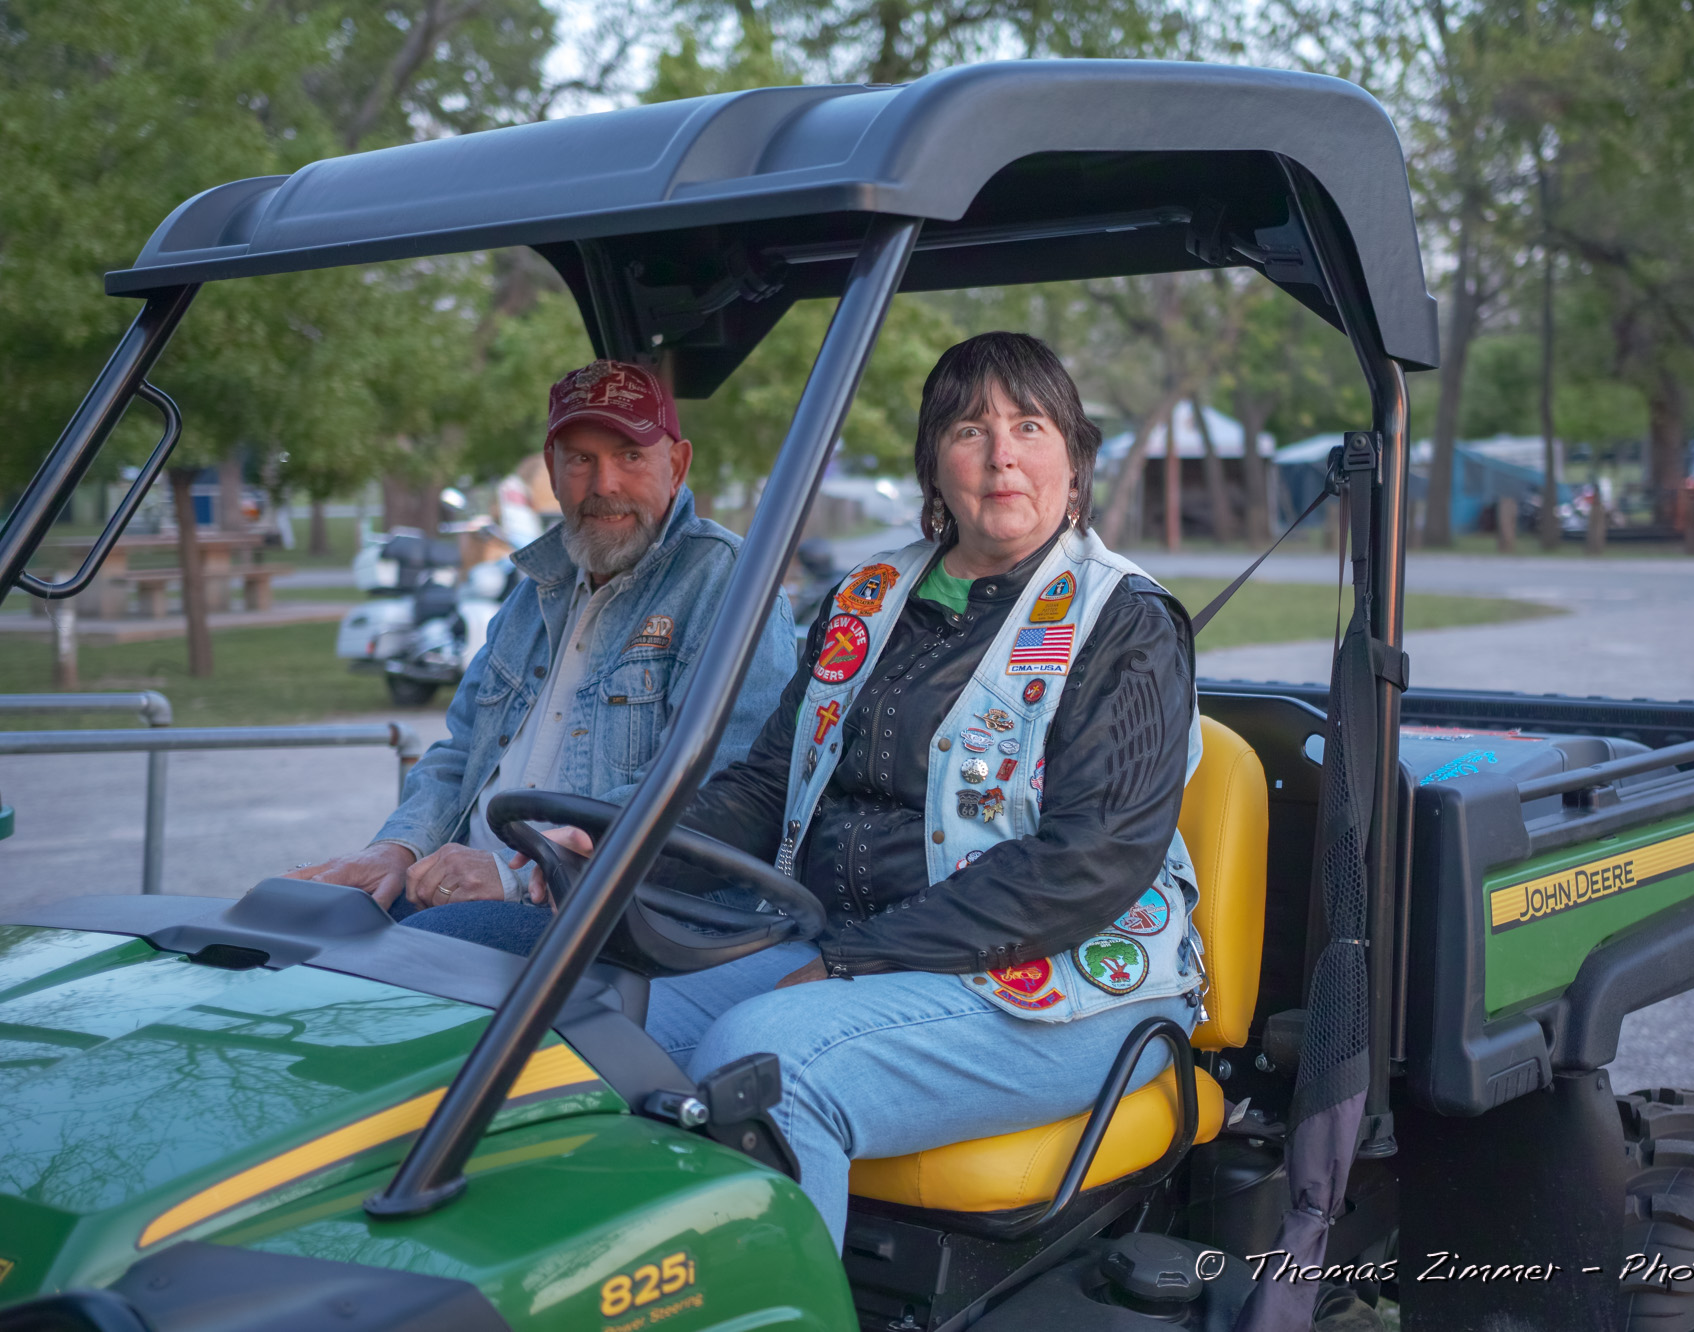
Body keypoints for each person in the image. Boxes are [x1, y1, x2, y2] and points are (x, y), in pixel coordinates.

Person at [410, 332, 1204, 1246]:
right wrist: (620, 848)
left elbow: (1089, 861)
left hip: (1066, 980)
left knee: (768, 1061)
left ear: (1074, 454)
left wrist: (852, 961)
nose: (1001, 456)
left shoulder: (1126, 622)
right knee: (584, 1030)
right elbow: (764, 785)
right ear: (934, 461)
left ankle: (777, 1300)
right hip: (845, 944)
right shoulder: (869, 597)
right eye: (969, 430)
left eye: (1029, 426)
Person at [290, 360, 796, 927]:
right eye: (581, 459)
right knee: (296, 916)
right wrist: (396, 849)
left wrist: (516, 874)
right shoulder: (533, 592)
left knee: (406, 949)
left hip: (611, 916)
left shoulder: (730, 583)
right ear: (552, 473)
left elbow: (724, 794)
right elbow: (462, 755)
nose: (604, 485)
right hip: (466, 885)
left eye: (630, 456)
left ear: (676, 466)